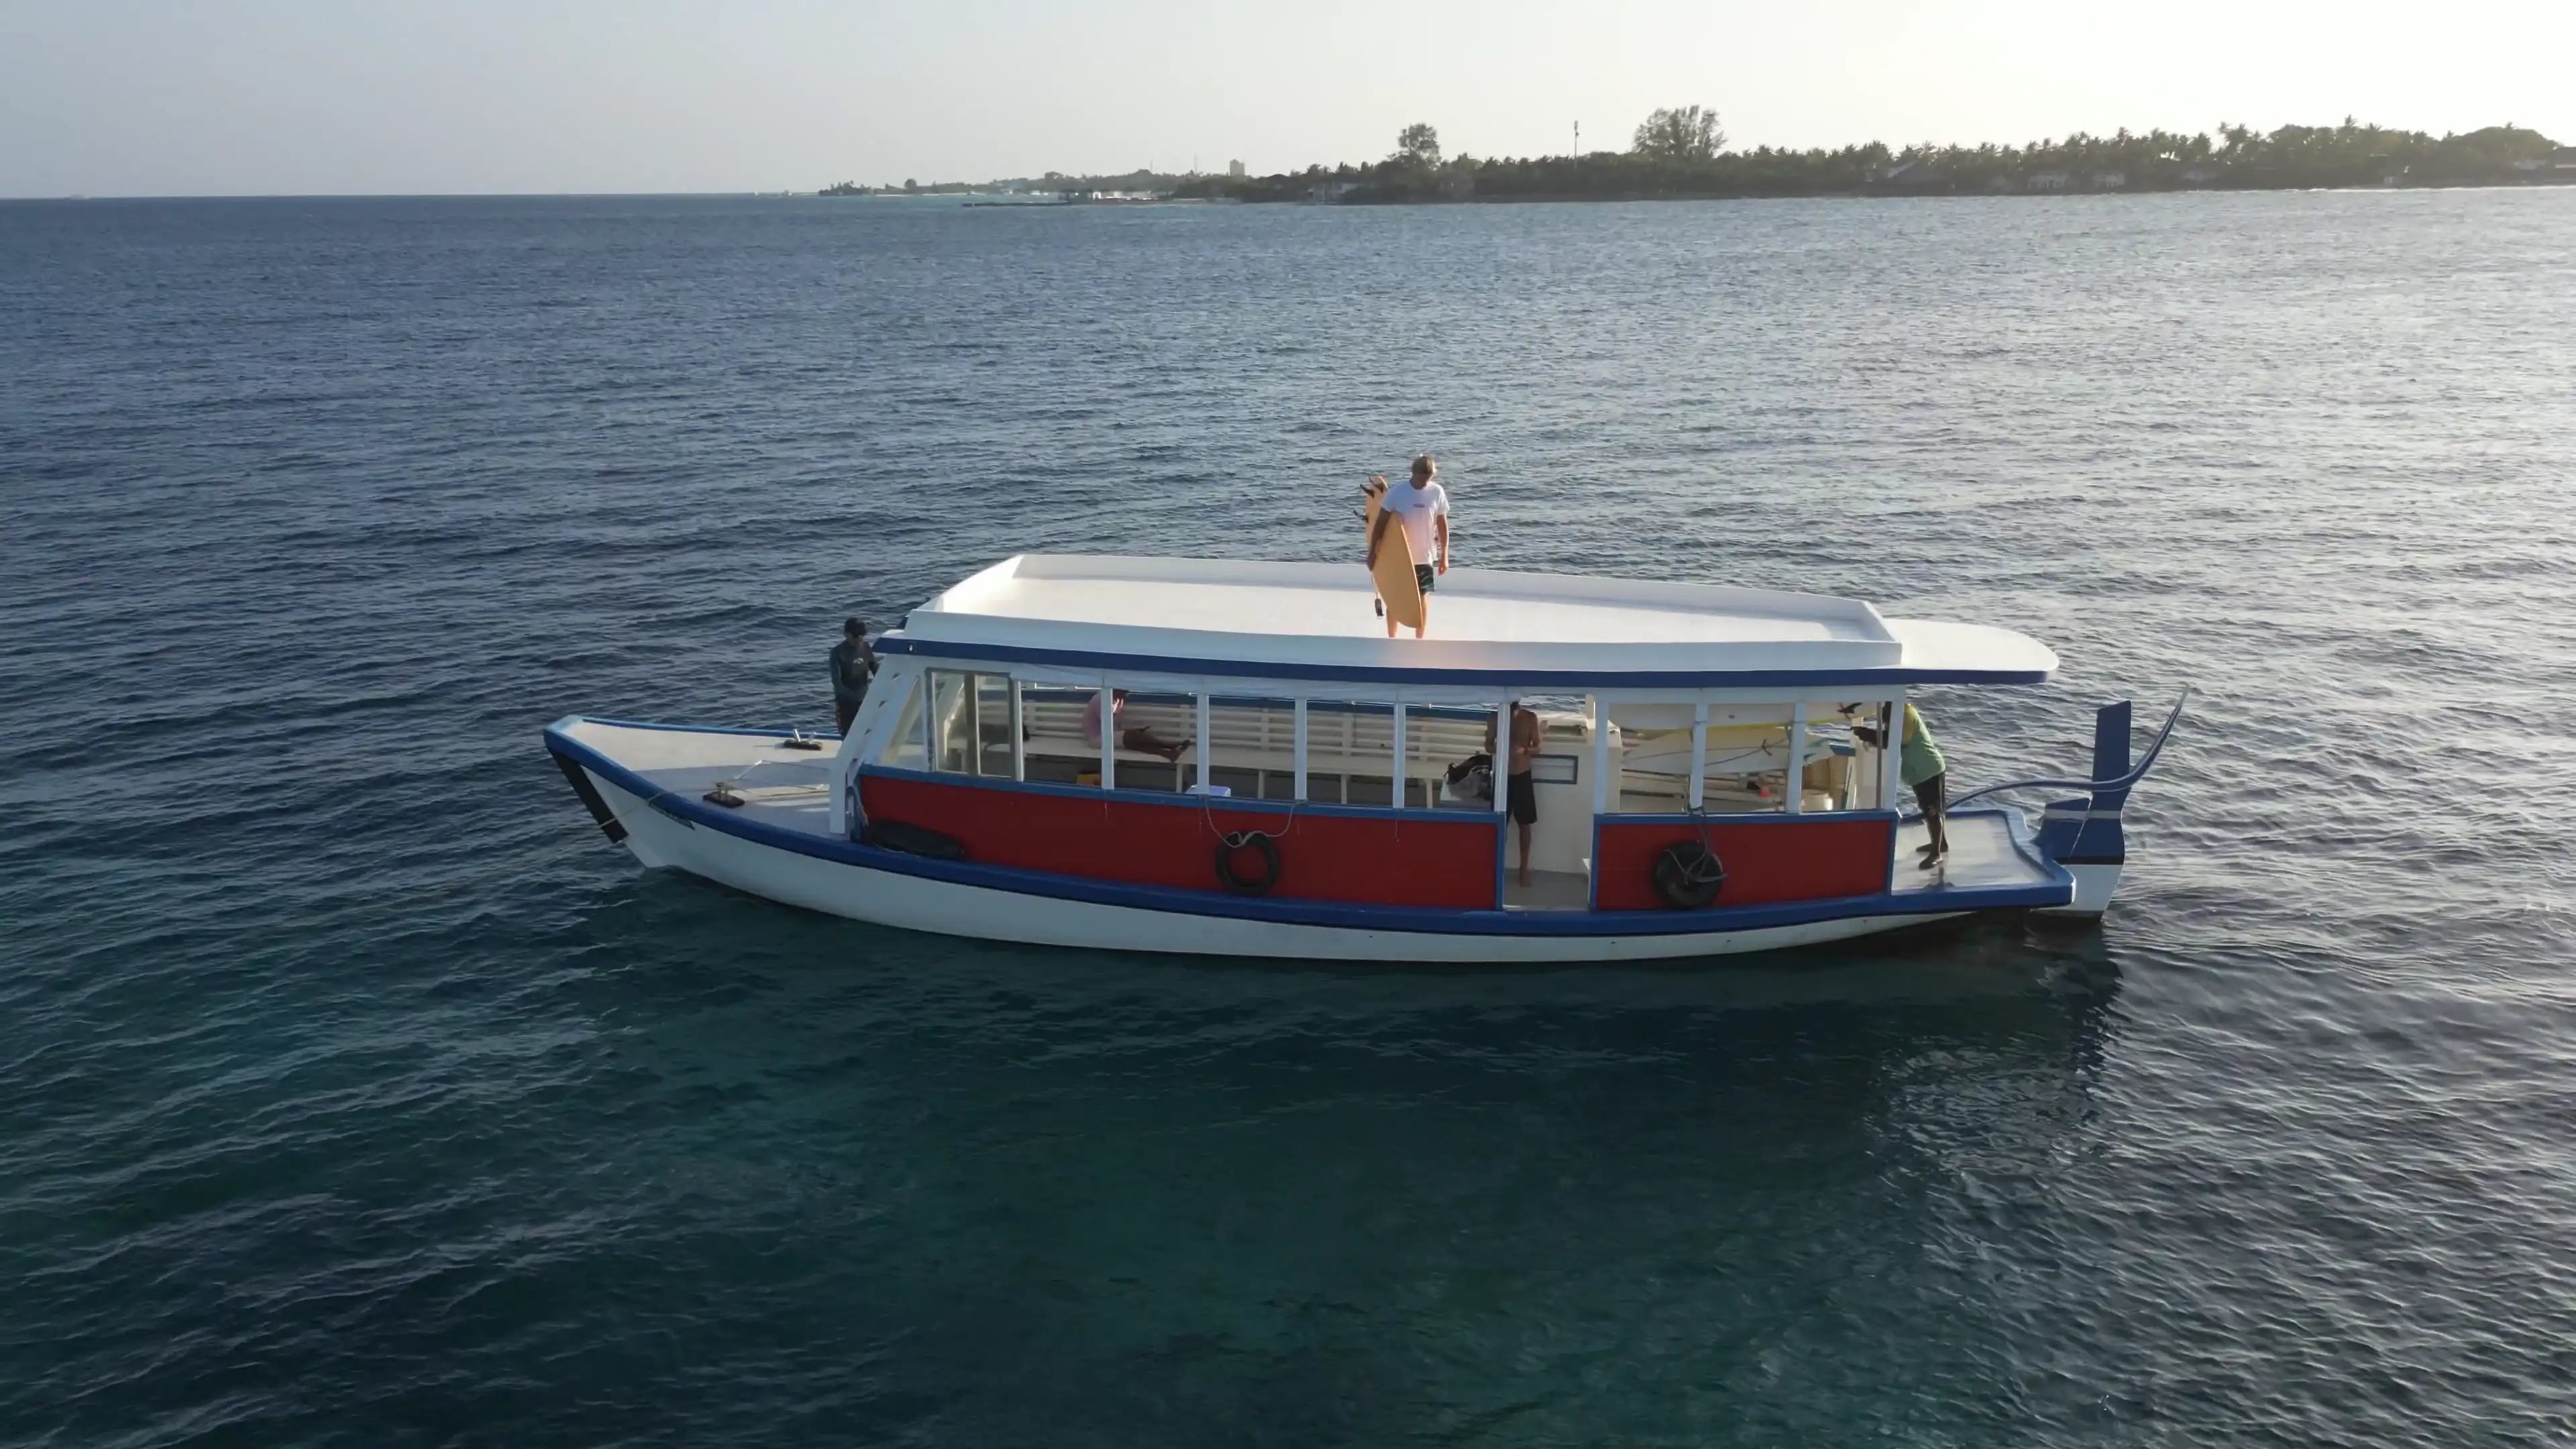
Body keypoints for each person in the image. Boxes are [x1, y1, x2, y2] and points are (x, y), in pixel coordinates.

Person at [1850, 702, 1949, 867]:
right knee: (1929, 808)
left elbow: (1894, 741)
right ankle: (1941, 844)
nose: (1882, 715)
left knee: (1933, 811)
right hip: (1918, 772)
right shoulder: (1896, 716)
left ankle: (1936, 853)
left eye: (1884, 711)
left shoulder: (1906, 715)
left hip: (1928, 768)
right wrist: (1872, 735)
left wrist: (1871, 735)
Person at [1372, 454, 1449, 639]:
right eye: (1423, 478)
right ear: (1414, 473)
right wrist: (1373, 552)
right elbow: (1380, 525)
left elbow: (1442, 525)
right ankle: (1392, 638)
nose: (1425, 482)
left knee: (1422, 598)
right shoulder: (1397, 493)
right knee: (1395, 597)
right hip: (1399, 556)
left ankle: (1419, 640)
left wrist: (1445, 554)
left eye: (1429, 478)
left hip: (1425, 555)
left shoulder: (1436, 492)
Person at [1483, 701, 1542, 885]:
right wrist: (1501, 749)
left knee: (1525, 824)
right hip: (1502, 777)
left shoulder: (1530, 718)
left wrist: (1524, 750)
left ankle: (1523, 868)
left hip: (1522, 775)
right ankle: (1497, 866)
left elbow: (1538, 746)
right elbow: (1488, 745)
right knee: (1500, 824)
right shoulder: (1495, 717)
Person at [1083, 688, 1189, 765]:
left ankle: (1168, 753)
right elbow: (1108, 724)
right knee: (1133, 738)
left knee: (1135, 740)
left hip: (1109, 735)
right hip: (1097, 738)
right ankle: (1169, 746)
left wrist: (1130, 732)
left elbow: (1115, 727)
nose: (1124, 697)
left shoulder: (1116, 699)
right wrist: (1128, 733)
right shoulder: (1102, 699)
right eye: (1123, 694)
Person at [828, 618, 877, 735]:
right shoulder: (837, 653)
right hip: (846, 704)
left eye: (862, 634)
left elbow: (876, 670)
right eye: (856, 635)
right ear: (846, 634)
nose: (859, 638)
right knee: (848, 735)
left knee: (867, 734)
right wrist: (856, 697)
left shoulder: (865, 647)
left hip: (865, 701)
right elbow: (837, 684)